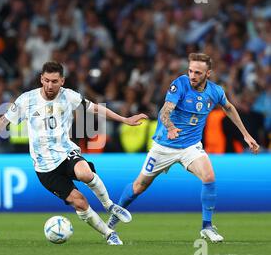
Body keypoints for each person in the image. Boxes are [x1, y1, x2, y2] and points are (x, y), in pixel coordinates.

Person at [0, 61, 148, 245]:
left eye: (54, 81)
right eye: (46, 80)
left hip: (65, 152)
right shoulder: (27, 100)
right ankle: (109, 234)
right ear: (41, 78)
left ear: (62, 81)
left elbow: (95, 108)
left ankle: (109, 205)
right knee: (80, 202)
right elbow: (4, 121)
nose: (49, 85)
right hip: (45, 167)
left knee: (85, 173)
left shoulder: (69, 96)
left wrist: (124, 119)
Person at [107, 53, 260, 242]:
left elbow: (228, 107)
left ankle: (207, 227)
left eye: (197, 72)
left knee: (209, 176)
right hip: (164, 146)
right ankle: (114, 215)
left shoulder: (215, 91)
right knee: (139, 187)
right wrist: (170, 127)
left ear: (208, 74)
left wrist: (246, 134)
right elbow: (165, 110)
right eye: (190, 71)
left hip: (190, 147)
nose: (192, 76)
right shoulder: (180, 84)